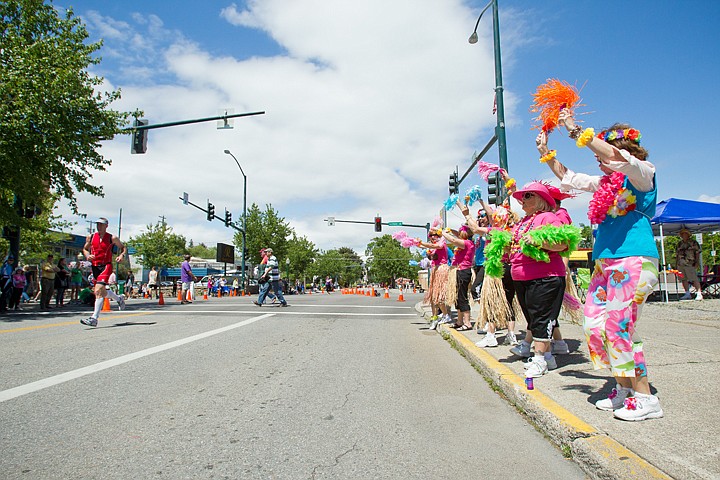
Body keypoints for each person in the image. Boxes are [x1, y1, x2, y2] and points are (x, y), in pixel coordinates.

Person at [537, 108, 663, 421]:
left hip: (632, 259)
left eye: (603, 151)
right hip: (605, 263)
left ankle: (646, 399)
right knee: (595, 325)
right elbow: (569, 178)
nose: (598, 159)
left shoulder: (642, 174)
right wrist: (545, 153)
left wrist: (574, 129)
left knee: (619, 327)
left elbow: (620, 159)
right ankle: (623, 388)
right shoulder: (605, 182)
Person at [80, 217, 127, 327]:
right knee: (102, 292)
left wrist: (121, 255)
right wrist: (87, 255)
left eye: (101, 224)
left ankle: (94, 318)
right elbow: (85, 249)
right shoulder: (91, 237)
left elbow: (123, 248)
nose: (99, 226)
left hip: (106, 266)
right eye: (97, 224)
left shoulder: (112, 238)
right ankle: (119, 298)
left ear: (106, 226)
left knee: (98, 290)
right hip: (95, 266)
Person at [442, 225, 475, 331]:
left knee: (462, 297)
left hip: (463, 271)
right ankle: (459, 321)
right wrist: (451, 230)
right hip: (458, 271)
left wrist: (441, 232)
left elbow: (452, 239)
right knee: (458, 298)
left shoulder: (467, 243)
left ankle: (467, 322)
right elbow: (455, 235)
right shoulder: (464, 241)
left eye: (461, 231)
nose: (459, 233)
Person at [675, 228, 703, 300]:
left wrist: (697, 262)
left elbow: (697, 253)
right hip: (681, 263)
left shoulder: (693, 242)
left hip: (690, 263)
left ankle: (699, 293)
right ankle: (687, 293)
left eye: (685, 234)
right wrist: (676, 264)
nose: (683, 235)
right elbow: (677, 254)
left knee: (694, 278)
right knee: (683, 279)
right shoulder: (679, 244)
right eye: (682, 234)